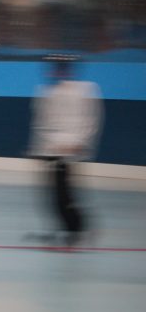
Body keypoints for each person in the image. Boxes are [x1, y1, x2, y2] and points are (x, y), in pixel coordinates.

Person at [28, 56, 103, 247]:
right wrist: (37, 149)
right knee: (54, 195)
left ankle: (78, 228)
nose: (54, 73)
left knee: (65, 194)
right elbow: (41, 124)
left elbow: (91, 120)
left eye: (59, 69)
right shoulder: (46, 93)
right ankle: (68, 227)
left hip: (69, 151)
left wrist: (80, 143)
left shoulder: (83, 90)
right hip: (50, 150)